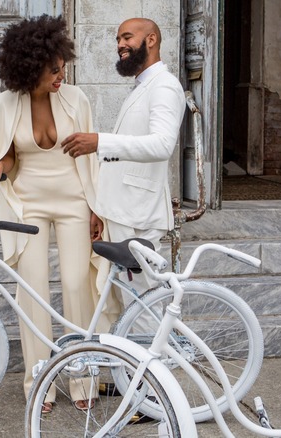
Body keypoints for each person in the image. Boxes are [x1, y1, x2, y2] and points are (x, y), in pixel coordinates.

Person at [0, 15, 104, 413]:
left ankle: (83, 377)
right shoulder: (5, 105)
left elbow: (92, 162)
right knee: (32, 291)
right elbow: (8, 156)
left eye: (63, 66)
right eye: (53, 70)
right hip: (27, 204)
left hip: (74, 202)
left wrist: (96, 207)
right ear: (29, 68)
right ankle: (39, 382)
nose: (61, 75)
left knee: (78, 285)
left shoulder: (77, 100)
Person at [61, 18, 186, 316]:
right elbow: (125, 160)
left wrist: (100, 142)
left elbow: (161, 146)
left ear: (151, 39)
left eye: (127, 37)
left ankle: (151, 363)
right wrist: (100, 209)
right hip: (121, 211)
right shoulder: (142, 86)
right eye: (118, 39)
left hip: (138, 215)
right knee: (131, 306)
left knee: (141, 308)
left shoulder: (165, 86)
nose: (120, 45)